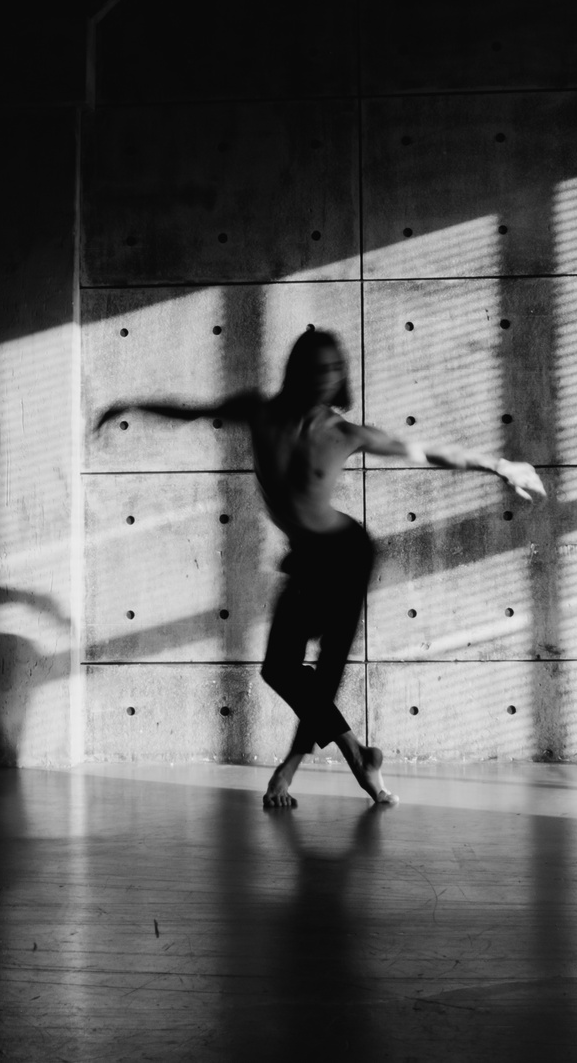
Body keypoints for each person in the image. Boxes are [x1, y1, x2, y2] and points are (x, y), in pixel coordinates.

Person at [96, 329, 546, 807]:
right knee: (279, 669)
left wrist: (501, 465)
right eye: (316, 367)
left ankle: (291, 772)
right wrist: (132, 407)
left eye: (334, 368)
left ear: (341, 378)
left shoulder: (344, 434)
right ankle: (359, 756)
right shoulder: (259, 411)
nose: (325, 377)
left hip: (347, 553)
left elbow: (427, 451)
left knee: (327, 665)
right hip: (308, 556)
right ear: (296, 371)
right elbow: (192, 411)